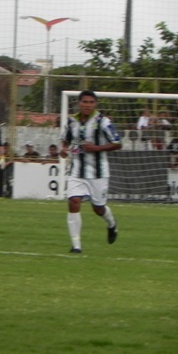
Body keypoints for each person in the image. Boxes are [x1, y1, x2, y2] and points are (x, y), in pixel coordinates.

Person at [60, 90, 122, 254]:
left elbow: (118, 143)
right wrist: (64, 149)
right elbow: (65, 140)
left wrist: (97, 148)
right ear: (79, 103)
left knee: (98, 208)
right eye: (84, 102)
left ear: (95, 104)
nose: (87, 105)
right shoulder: (72, 121)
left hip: (98, 173)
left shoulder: (103, 122)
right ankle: (76, 246)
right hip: (77, 171)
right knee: (73, 201)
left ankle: (111, 224)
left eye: (91, 102)